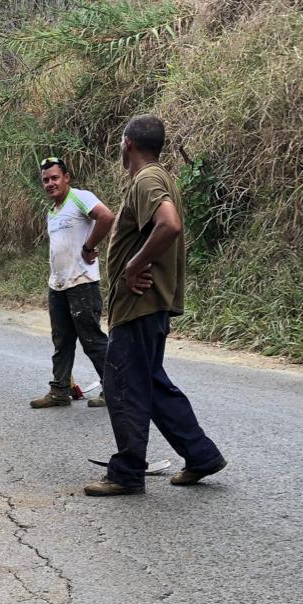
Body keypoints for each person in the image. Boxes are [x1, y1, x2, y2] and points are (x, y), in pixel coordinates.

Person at [85, 114, 227, 497]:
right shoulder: (157, 177)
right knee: (149, 383)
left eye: (120, 141)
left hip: (140, 304)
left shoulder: (146, 179)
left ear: (128, 143)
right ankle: (201, 455)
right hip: (146, 304)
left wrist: (134, 265)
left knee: (122, 385)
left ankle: (128, 472)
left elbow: (170, 224)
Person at [29, 156, 115, 410]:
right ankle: (59, 391)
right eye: (45, 180)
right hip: (58, 285)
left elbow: (106, 217)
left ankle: (115, 389)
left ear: (67, 177)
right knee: (62, 340)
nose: (50, 183)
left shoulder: (80, 197)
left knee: (92, 340)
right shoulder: (52, 211)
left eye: (55, 178)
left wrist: (89, 246)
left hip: (82, 283)